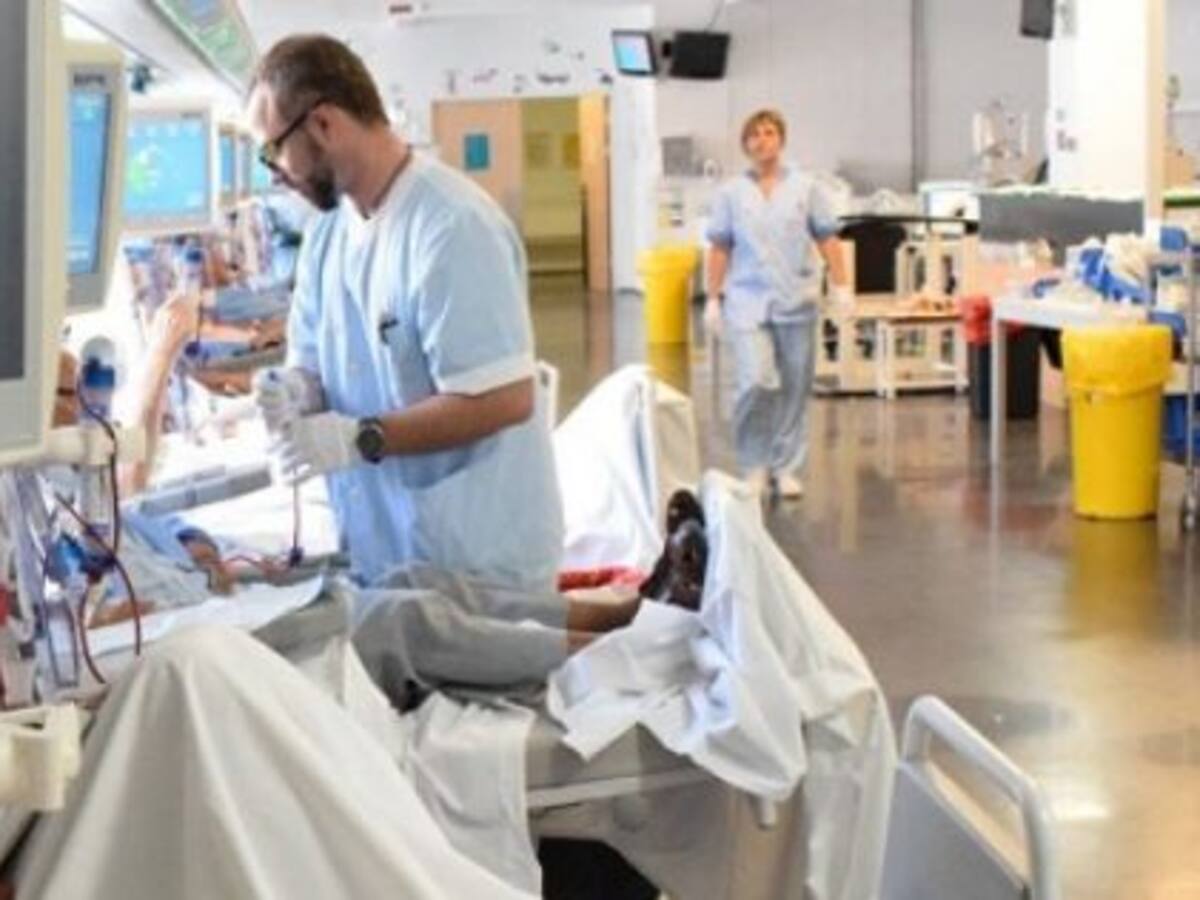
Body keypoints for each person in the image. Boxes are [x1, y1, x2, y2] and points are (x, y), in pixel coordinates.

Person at [246, 35, 563, 592]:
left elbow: (503, 398)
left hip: (475, 562)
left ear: (323, 124)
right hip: (387, 549)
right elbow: (319, 362)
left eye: (273, 151)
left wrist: (360, 437)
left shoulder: (451, 227)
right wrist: (296, 391)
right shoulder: (327, 234)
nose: (274, 172)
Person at [703, 109, 851, 499]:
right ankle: (754, 463)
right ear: (745, 144)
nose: (761, 140)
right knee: (756, 379)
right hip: (747, 301)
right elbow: (719, 247)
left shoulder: (806, 188)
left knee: (795, 386)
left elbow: (827, 238)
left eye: (769, 132)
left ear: (781, 140)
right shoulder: (731, 194)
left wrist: (842, 286)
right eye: (753, 135)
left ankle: (785, 467)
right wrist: (713, 298)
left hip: (795, 298)